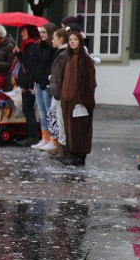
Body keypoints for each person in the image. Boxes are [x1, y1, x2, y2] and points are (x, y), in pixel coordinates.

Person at [58, 29, 97, 166]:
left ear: (80, 42)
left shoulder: (84, 59)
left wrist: (84, 100)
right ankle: (72, 152)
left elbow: (89, 81)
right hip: (68, 97)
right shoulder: (69, 58)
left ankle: (80, 155)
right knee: (70, 128)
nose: (72, 42)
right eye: (70, 40)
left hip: (80, 99)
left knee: (80, 128)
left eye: (75, 39)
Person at [31, 23, 58, 152]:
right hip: (38, 82)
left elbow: (49, 66)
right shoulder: (39, 47)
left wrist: (44, 79)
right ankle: (44, 138)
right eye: (40, 32)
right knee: (41, 112)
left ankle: (53, 139)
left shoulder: (52, 49)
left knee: (49, 112)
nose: (41, 35)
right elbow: (37, 65)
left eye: (44, 32)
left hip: (46, 84)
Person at [15, 24, 42, 145]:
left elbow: (31, 68)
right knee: (27, 110)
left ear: (30, 32)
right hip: (26, 83)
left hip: (28, 84)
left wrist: (29, 85)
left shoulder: (31, 47)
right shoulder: (28, 47)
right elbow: (25, 63)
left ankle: (32, 136)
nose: (21, 34)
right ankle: (30, 135)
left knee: (28, 111)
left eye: (24, 31)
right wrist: (18, 54)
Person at [47, 27, 69, 159]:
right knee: (55, 117)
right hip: (56, 91)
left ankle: (62, 146)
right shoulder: (60, 53)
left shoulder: (63, 54)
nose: (52, 40)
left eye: (54, 38)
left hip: (59, 92)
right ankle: (58, 145)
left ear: (60, 39)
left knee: (60, 119)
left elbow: (62, 75)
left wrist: (58, 89)